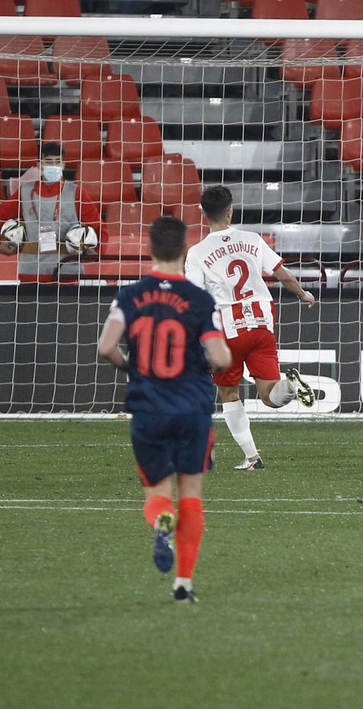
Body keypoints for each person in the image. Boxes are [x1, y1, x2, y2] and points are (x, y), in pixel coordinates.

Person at [95, 215, 232, 603]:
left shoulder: (129, 296)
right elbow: (221, 358)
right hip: (192, 408)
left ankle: (160, 520)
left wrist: (133, 368)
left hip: (148, 408)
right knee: (192, 494)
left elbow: (105, 348)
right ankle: (183, 584)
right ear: (185, 249)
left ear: (151, 249)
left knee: (157, 491)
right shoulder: (200, 300)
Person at [185, 185, 317, 471]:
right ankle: (290, 387)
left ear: (203, 213)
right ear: (230, 210)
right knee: (270, 396)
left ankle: (252, 457)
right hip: (261, 321)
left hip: (227, 327)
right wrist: (303, 294)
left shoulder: (197, 252)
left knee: (229, 394)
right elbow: (282, 273)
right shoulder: (252, 239)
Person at [0, 142, 99, 283]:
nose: (54, 166)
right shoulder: (24, 191)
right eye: (49, 162)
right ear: (40, 164)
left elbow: (96, 224)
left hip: (68, 272)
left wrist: (95, 248)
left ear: (63, 165)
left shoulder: (76, 192)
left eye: (58, 162)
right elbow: (1, 216)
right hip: (31, 271)